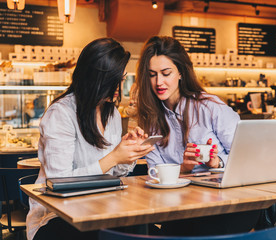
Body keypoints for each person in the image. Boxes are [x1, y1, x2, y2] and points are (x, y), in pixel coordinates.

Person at [26, 38, 154, 240]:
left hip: (102, 209)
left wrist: (128, 153)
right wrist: (113, 157)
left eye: (121, 79)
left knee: (145, 227)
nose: (119, 88)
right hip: (57, 217)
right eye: (114, 81)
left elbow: (115, 172)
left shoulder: (110, 113)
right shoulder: (61, 113)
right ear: (94, 78)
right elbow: (59, 182)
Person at [135, 36, 260, 236]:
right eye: (152, 75)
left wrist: (216, 161)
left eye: (166, 73)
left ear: (181, 72)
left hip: (228, 206)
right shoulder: (150, 120)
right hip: (181, 209)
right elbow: (155, 173)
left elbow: (250, 155)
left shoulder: (210, 107)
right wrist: (183, 168)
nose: (159, 82)